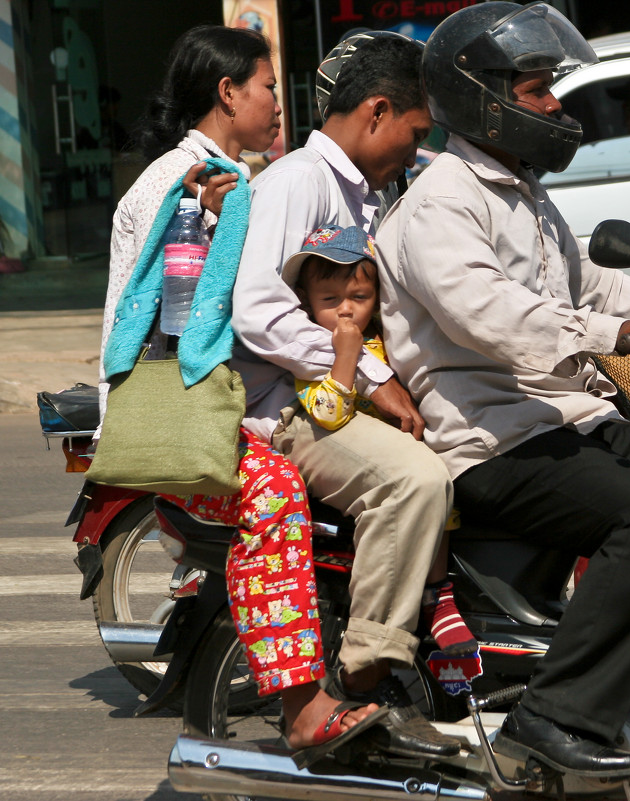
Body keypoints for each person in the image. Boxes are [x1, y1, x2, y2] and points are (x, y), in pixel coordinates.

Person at [374, 1, 630, 785]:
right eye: (538, 90)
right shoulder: (443, 202)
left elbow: (591, 282)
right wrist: (622, 337)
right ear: (482, 96)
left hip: (561, 417)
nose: (555, 107)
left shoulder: (521, 192)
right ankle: (557, 713)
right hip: (491, 439)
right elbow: (490, 315)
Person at [99, 25, 378, 765]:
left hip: (215, 399)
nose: (279, 106)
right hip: (182, 413)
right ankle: (300, 705)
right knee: (276, 492)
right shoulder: (181, 183)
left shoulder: (231, 175)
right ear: (228, 93)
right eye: (266, 88)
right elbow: (154, 308)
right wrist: (203, 219)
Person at [230, 31, 459, 759]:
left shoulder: (363, 193)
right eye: (414, 134)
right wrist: (366, 374)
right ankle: (369, 667)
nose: (415, 151)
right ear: (377, 111)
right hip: (288, 406)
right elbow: (257, 310)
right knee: (416, 480)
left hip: (335, 391)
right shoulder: (298, 181)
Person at [282, 223, 477, 656]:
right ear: (307, 303)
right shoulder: (312, 351)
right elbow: (328, 414)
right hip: (354, 451)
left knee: (444, 488)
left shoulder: (387, 339)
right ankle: (398, 620)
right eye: (330, 301)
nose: (346, 311)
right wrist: (347, 357)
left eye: (359, 298)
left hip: (405, 437)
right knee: (420, 482)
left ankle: (439, 592)